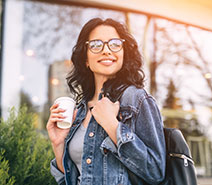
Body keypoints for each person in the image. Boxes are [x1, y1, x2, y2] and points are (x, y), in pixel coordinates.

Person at [46, 18, 166, 185]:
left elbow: (156, 171)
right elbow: (70, 180)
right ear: (86, 59)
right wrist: (58, 143)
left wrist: (113, 126)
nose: (107, 51)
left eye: (115, 44)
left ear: (124, 53)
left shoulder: (136, 99)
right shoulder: (80, 110)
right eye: (96, 45)